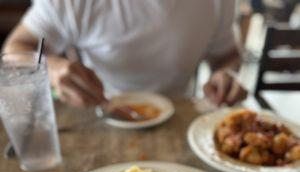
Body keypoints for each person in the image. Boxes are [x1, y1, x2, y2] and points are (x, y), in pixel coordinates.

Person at [3, 0, 247, 108]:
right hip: (98, 109)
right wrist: (52, 68)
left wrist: (226, 74)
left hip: (180, 114)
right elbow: (14, 51)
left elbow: (228, 56)